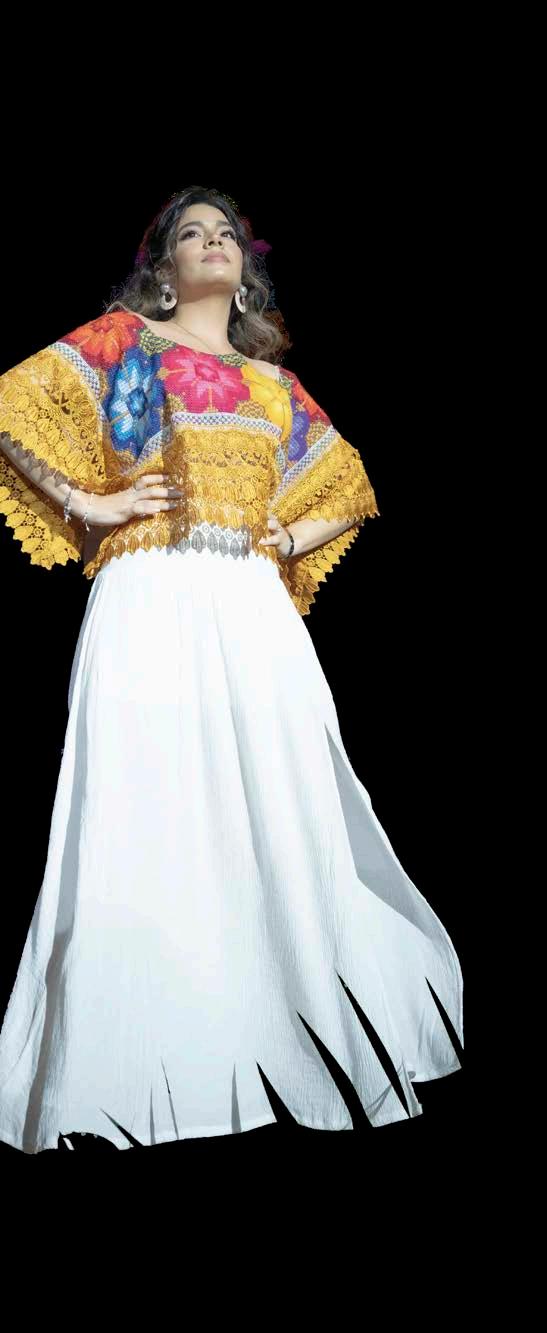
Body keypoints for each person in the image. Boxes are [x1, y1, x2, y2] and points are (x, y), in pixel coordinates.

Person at [0, 185, 463, 1153]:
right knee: (145, 809)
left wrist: (288, 535)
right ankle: (135, 1065)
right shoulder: (124, 342)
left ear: (244, 272)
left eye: (224, 233)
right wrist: (88, 503)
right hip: (149, 590)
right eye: (190, 233)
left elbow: (349, 483)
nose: (211, 241)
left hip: (252, 607)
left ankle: (283, 1030)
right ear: (163, 270)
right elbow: (13, 402)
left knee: (288, 804)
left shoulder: (273, 386)